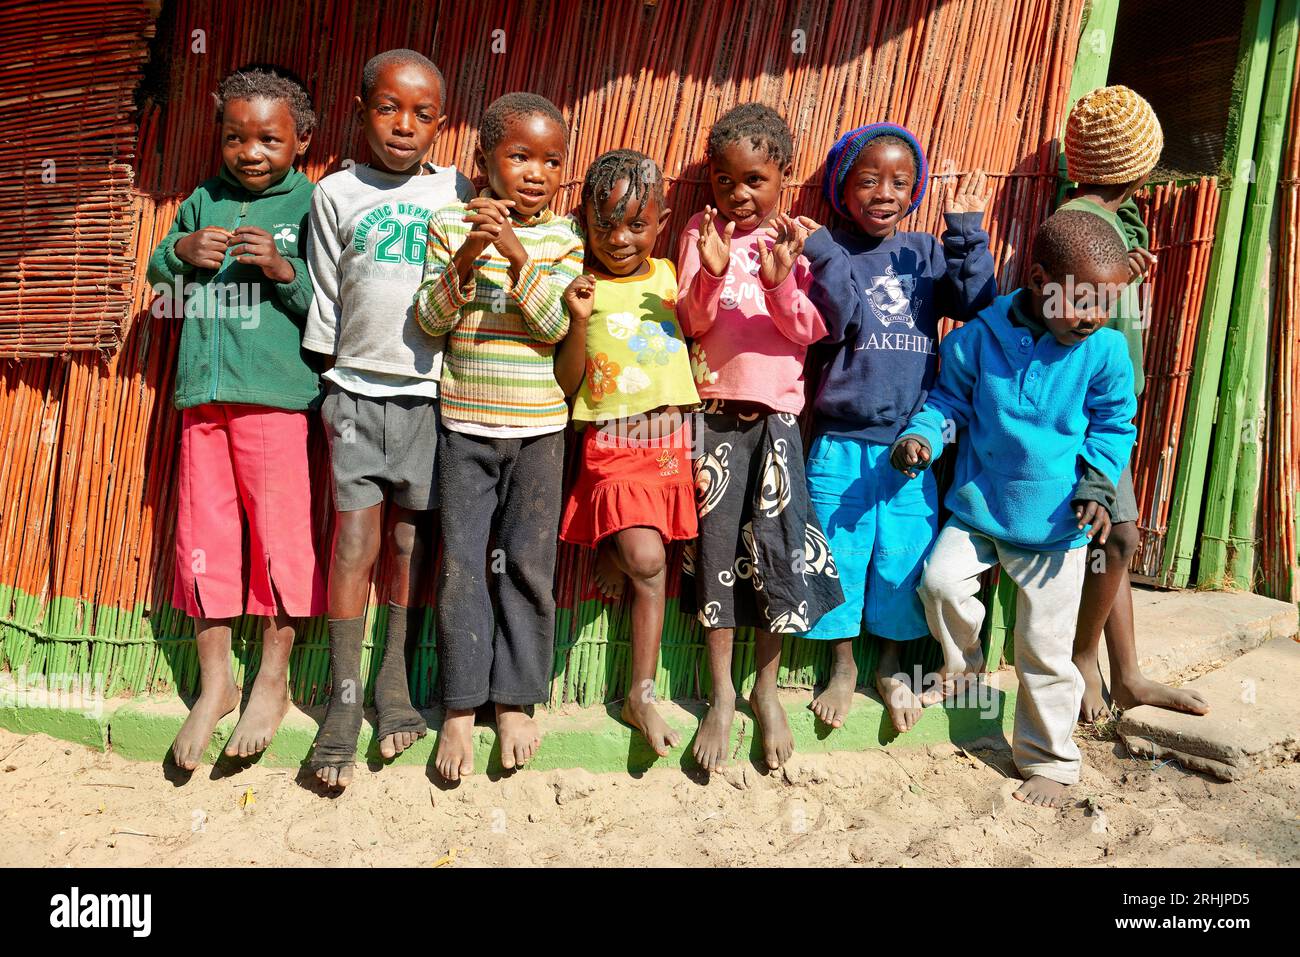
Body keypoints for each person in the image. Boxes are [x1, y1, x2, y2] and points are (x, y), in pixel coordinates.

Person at [894, 209, 1138, 807]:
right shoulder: (977, 339)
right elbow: (948, 402)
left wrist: (1098, 485)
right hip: (979, 508)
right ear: (1037, 279)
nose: (1095, 316)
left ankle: (1050, 762)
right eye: (1082, 300)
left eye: (1107, 304)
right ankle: (966, 667)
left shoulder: (1104, 351)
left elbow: (1113, 424)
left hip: (1060, 525)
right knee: (940, 584)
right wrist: (923, 436)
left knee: (1044, 649)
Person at [303, 49, 474, 791]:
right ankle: (344, 700)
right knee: (355, 542)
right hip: (353, 388)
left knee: (409, 540)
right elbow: (324, 302)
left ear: (443, 121)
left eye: (423, 113)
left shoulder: (460, 191)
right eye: (387, 108)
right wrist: (329, 392)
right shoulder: (335, 193)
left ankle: (394, 680)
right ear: (360, 106)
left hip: (431, 394)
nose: (404, 126)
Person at [146, 66, 324, 771]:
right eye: (235, 137)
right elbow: (162, 274)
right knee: (204, 529)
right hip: (202, 399)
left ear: (302, 140)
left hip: (277, 400)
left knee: (279, 536)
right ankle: (216, 680)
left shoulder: (313, 206)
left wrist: (285, 272)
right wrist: (179, 253)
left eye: (269, 139)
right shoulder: (201, 201)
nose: (250, 152)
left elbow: (330, 308)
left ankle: (272, 681)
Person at [795, 122, 995, 733]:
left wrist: (964, 231)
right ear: (839, 185)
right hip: (840, 440)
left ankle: (889, 662)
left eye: (900, 182)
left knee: (902, 561)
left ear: (917, 190)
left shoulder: (927, 253)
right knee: (838, 557)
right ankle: (843, 665)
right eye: (868, 179)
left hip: (911, 444)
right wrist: (824, 255)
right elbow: (835, 326)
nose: (884, 192)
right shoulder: (828, 248)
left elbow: (976, 303)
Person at [414, 93, 584, 781]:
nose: (535, 172)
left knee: (525, 567)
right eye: (519, 156)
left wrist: (515, 255)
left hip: (540, 429)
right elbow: (429, 319)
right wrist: (467, 259)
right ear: (483, 159)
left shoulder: (564, 238)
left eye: (550, 160)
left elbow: (553, 327)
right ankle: (459, 705)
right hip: (466, 426)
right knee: (460, 565)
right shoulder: (449, 224)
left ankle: (514, 699)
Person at [676, 103, 844, 771]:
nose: (738, 196)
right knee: (718, 554)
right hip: (714, 418)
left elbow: (809, 331)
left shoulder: (797, 241)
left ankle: (765, 689)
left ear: (784, 177)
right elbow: (690, 318)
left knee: (778, 555)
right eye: (725, 181)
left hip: (775, 422)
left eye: (754, 181)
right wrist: (713, 271)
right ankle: (720, 694)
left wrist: (779, 283)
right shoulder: (698, 230)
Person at [1060, 85, 1210, 722]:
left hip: (1111, 401)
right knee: (1118, 534)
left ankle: (1128, 673)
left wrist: (1128, 277)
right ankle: (1083, 657)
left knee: (1116, 536)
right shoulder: (1077, 226)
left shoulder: (1120, 222)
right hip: (1083, 406)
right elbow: (1056, 312)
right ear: (1144, 166)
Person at [556, 149, 700, 756]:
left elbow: (702, 330)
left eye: (636, 224)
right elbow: (568, 384)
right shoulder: (582, 286)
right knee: (647, 557)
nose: (619, 238)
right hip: (613, 440)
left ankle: (611, 558)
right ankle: (641, 692)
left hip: (670, 442)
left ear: (661, 222)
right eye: (605, 224)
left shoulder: (670, 279)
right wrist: (576, 317)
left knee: (658, 554)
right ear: (585, 222)